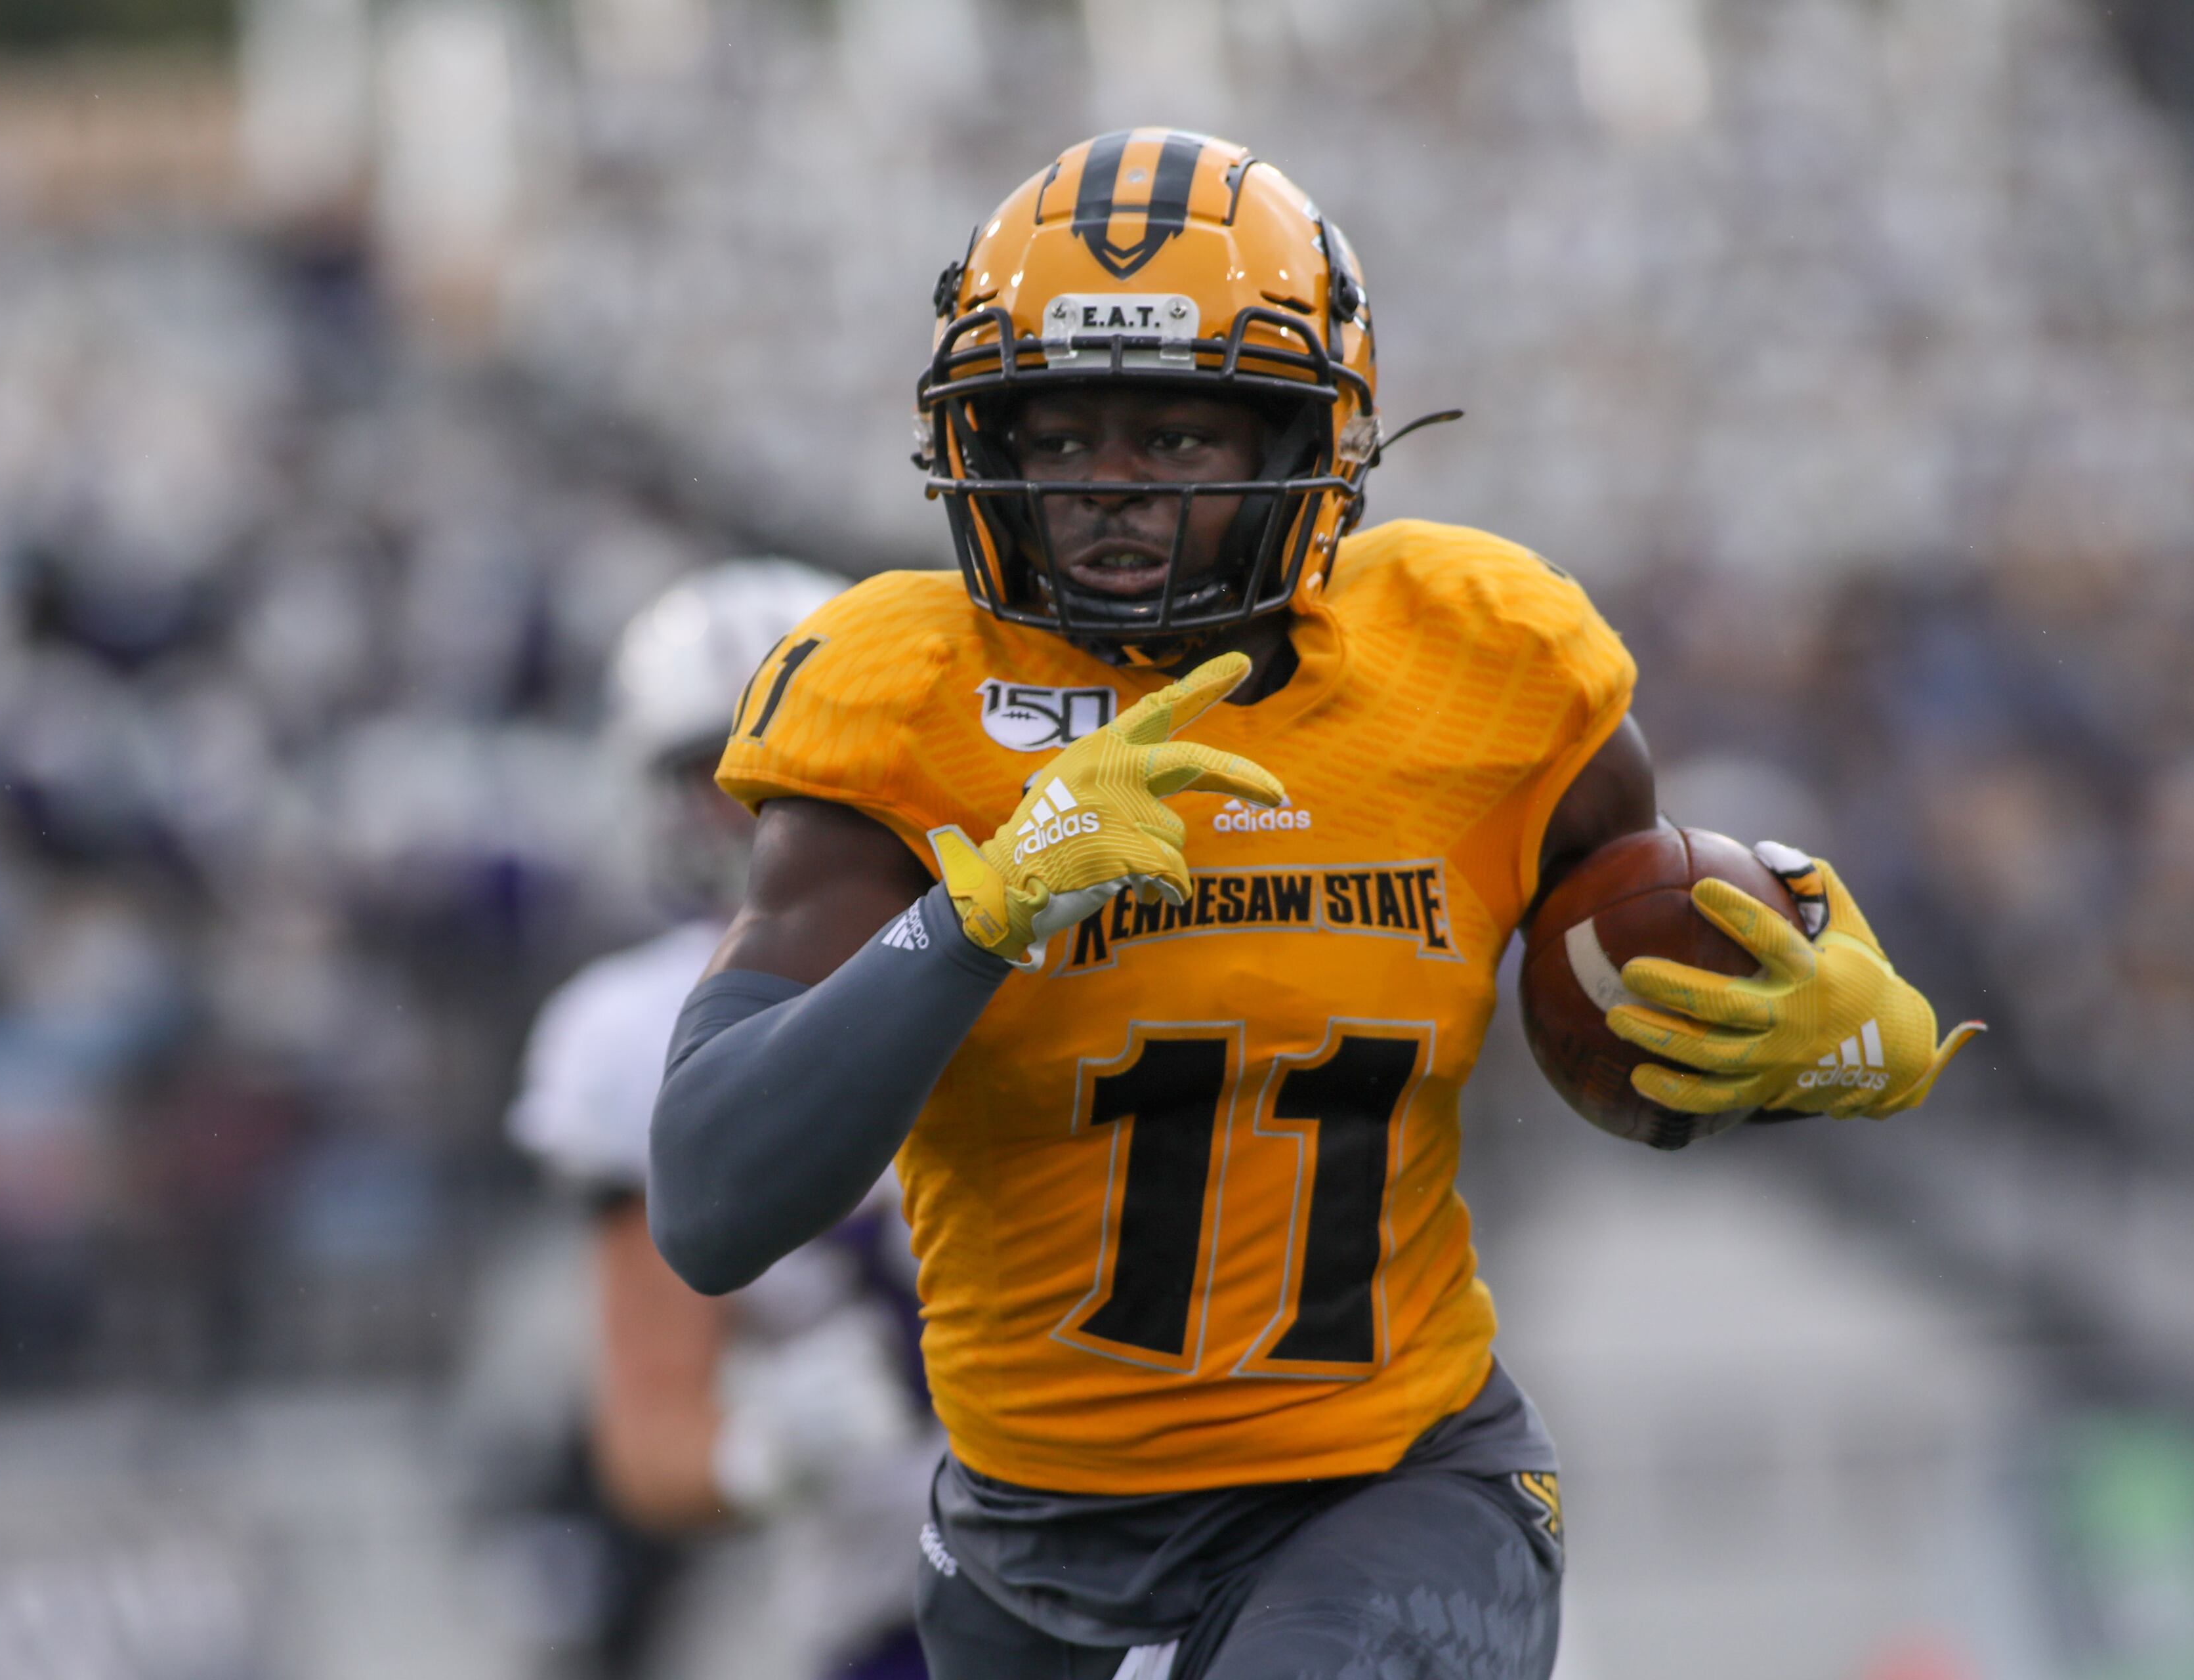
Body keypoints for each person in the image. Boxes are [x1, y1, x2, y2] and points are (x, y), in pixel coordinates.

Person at [647, 131, 1981, 1680]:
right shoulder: (905, 699)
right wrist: (984, 908)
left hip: (1391, 1485)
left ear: (1309, 439)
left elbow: (1664, 930)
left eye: (1174, 439)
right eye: (1059, 434)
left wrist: (1844, 1023)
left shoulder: (1480, 667)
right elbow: (712, 1197)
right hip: (1023, 1544)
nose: (1108, 497)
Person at [510, 559, 935, 1680]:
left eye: (799, 749)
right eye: (723, 767)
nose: (765, 797)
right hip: (896, 1608)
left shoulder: (1037, 918)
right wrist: (765, 1452)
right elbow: (650, 1440)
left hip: (1153, 1538)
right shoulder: (626, 1035)